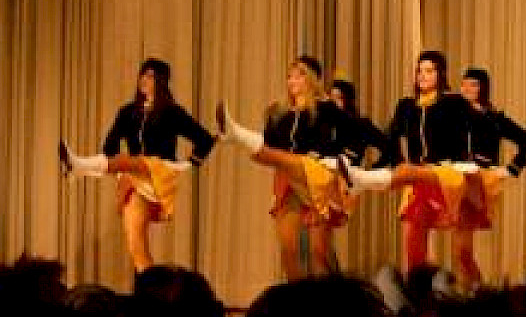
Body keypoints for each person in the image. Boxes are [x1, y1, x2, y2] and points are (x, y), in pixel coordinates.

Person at [59, 58, 215, 274]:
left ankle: (79, 166)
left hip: (159, 171)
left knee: (130, 161)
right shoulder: (127, 112)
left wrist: (188, 164)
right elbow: (109, 148)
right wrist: (118, 172)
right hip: (135, 177)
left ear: (161, 80)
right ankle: (149, 285)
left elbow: (205, 139)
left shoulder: (172, 112)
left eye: (150, 76)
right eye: (143, 74)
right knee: (135, 241)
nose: (144, 79)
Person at [216, 55, 355, 280]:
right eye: (289, 76)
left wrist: (339, 156)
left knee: (319, 251)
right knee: (288, 248)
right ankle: (294, 298)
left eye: (299, 76)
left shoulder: (325, 107)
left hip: (315, 176)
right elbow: (270, 147)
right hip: (288, 179)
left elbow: (353, 130)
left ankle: (236, 134)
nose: (292, 81)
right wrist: (269, 126)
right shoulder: (280, 112)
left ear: (312, 79)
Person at [338, 50, 475, 273]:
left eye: (429, 71)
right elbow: (389, 138)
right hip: (416, 176)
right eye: (419, 71)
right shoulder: (407, 106)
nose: (422, 75)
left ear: (440, 74)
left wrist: (475, 160)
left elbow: (478, 130)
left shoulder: (454, 103)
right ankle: (418, 289)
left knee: (463, 254)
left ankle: (360, 180)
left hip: (447, 172)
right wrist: (387, 162)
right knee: (413, 243)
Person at [451, 66, 526, 291]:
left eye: (473, 84)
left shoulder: (494, 118)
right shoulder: (452, 114)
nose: (467, 88)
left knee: (461, 250)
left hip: (478, 180)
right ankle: (471, 294)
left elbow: (525, 139)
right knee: (459, 251)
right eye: (464, 84)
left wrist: (512, 169)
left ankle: (478, 294)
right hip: (453, 178)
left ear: (483, 88)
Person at [328, 78, 389, 169]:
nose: (333, 103)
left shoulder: (360, 124)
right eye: (331, 98)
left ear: (348, 101)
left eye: (338, 98)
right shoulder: (322, 123)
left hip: (348, 173)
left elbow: (387, 147)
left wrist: (373, 168)